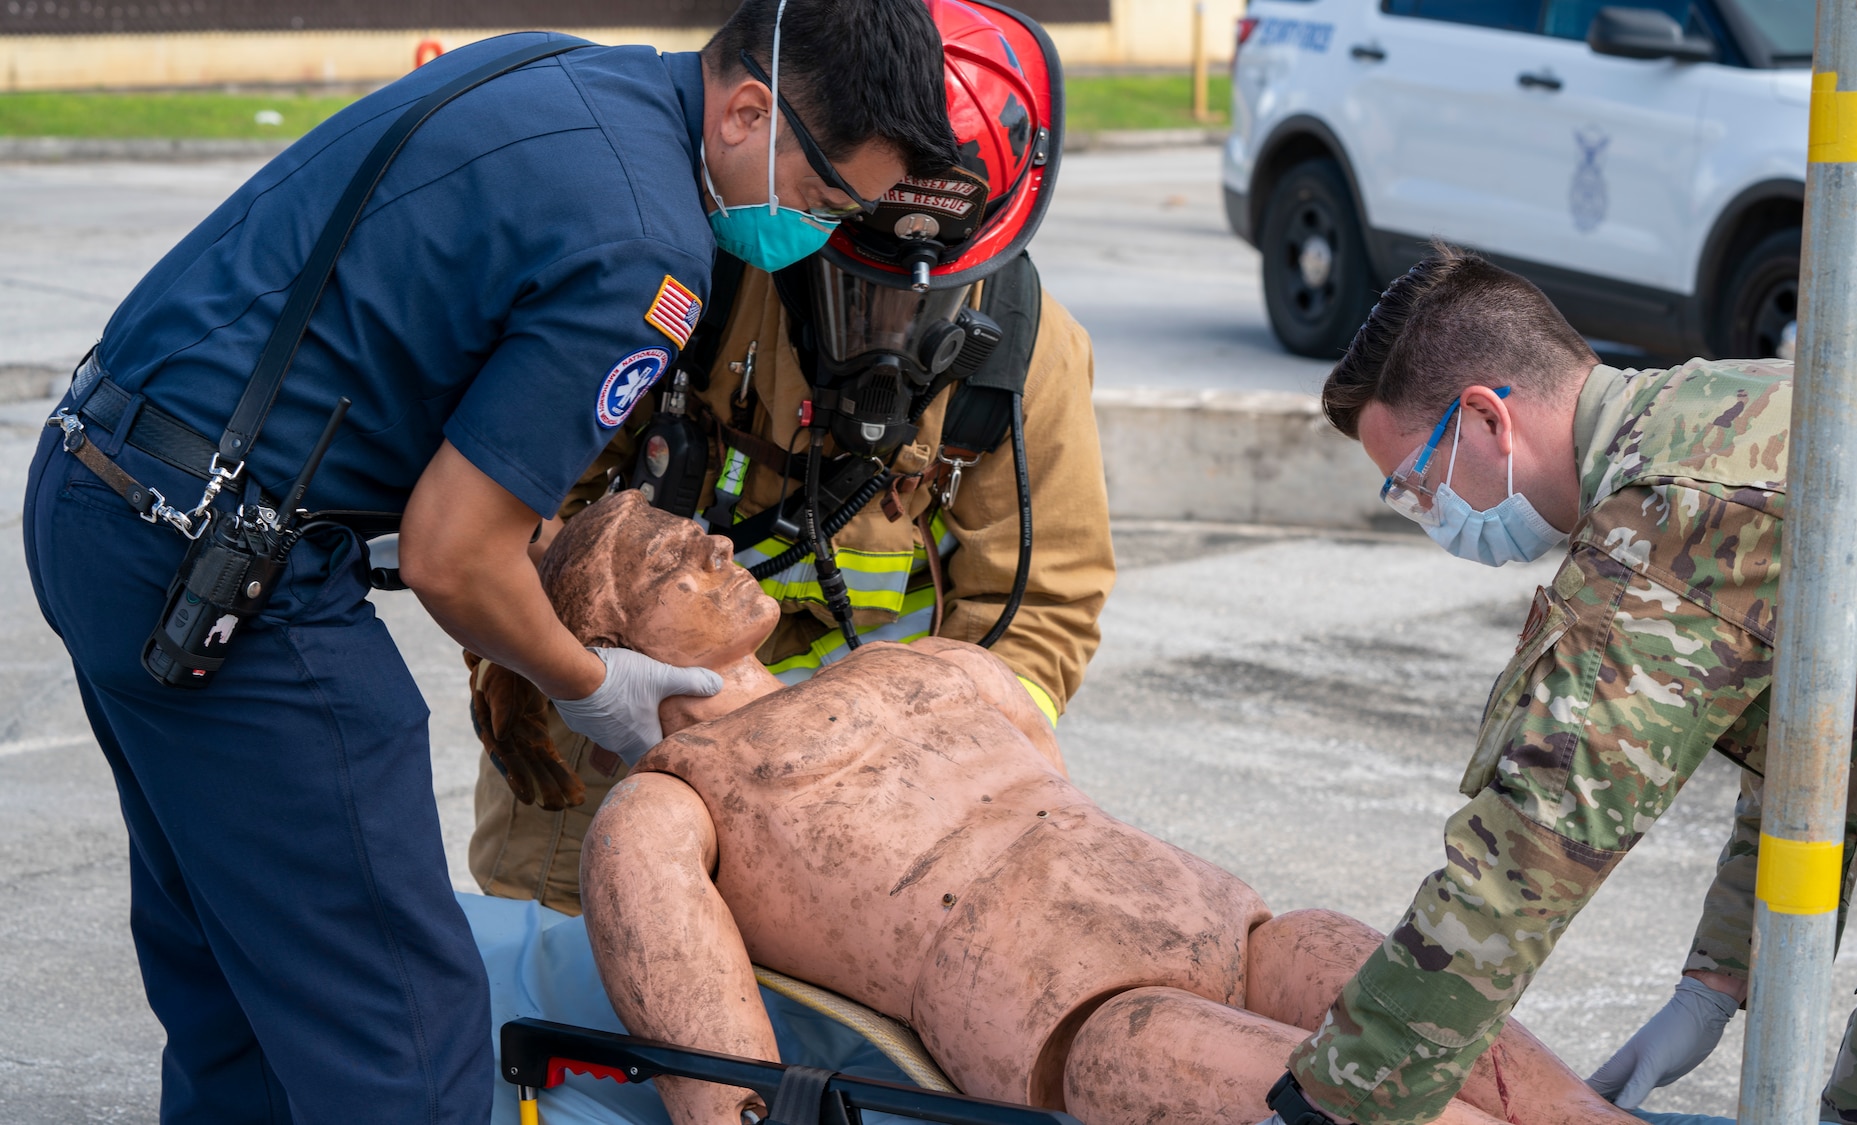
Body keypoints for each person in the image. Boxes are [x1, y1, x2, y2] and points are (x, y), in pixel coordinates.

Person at [21, 3, 956, 1119]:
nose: (816, 226)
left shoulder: (555, 69)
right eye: (824, 196)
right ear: (749, 109)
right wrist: (594, 684)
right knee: (402, 1033)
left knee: (238, 988)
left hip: (103, 489)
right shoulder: (646, 249)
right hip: (220, 571)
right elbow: (453, 557)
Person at [532, 490, 1635, 1125]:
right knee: (1348, 1099)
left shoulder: (923, 660)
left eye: (693, 531)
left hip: (1240, 930)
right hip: (1087, 1020)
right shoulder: (669, 806)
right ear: (608, 640)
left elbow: (1052, 795)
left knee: (1382, 981)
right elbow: (725, 1083)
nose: (714, 545)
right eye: (668, 562)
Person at [1271, 246, 1857, 1125]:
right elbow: (1821, 721)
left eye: (1417, 487)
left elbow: (1534, 847)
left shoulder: (1668, 517)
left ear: (1486, 420)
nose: (1432, 518)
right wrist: (1716, 980)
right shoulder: (1725, 407)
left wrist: (1330, 1104)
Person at [463, 0, 1114, 919]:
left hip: (870, 791)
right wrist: (561, 678)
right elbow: (517, 504)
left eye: (923, 299)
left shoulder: (1026, 362)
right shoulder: (688, 279)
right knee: (548, 990)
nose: (885, 329)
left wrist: (924, 765)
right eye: (853, 278)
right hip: (618, 736)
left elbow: (1043, 610)